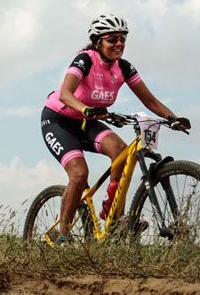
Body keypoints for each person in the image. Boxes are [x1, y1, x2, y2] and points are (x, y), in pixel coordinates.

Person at [39, 15, 189, 245]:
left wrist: (173, 118)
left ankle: (113, 216)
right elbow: (65, 94)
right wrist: (85, 109)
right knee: (79, 174)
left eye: (122, 39)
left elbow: (150, 101)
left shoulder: (124, 67)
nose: (119, 44)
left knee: (121, 150)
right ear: (98, 42)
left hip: (87, 120)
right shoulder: (85, 60)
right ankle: (63, 235)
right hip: (59, 120)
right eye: (112, 39)